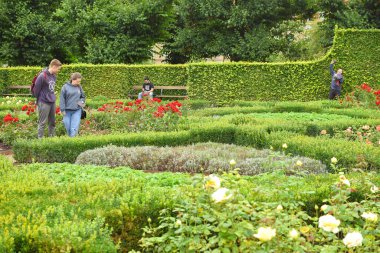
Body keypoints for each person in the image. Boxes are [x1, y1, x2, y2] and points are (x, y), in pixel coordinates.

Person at [34, 59, 62, 138]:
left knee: (52, 122)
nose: (58, 70)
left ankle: (51, 138)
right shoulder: (42, 76)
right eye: (58, 69)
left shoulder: (54, 76)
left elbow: (51, 88)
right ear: (53, 66)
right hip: (44, 102)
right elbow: (36, 90)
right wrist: (42, 99)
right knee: (42, 122)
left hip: (52, 101)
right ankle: (40, 140)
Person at [60, 72, 86, 137]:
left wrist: (81, 102)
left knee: (73, 128)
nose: (79, 83)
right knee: (68, 127)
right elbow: (62, 99)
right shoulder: (65, 87)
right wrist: (62, 110)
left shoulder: (79, 87)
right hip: (67, 111)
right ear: (73, 79)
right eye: (78, 81)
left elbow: (83, 97)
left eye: (79, 81)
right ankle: (70, 141)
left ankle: (72, 141)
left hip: (77, 110)